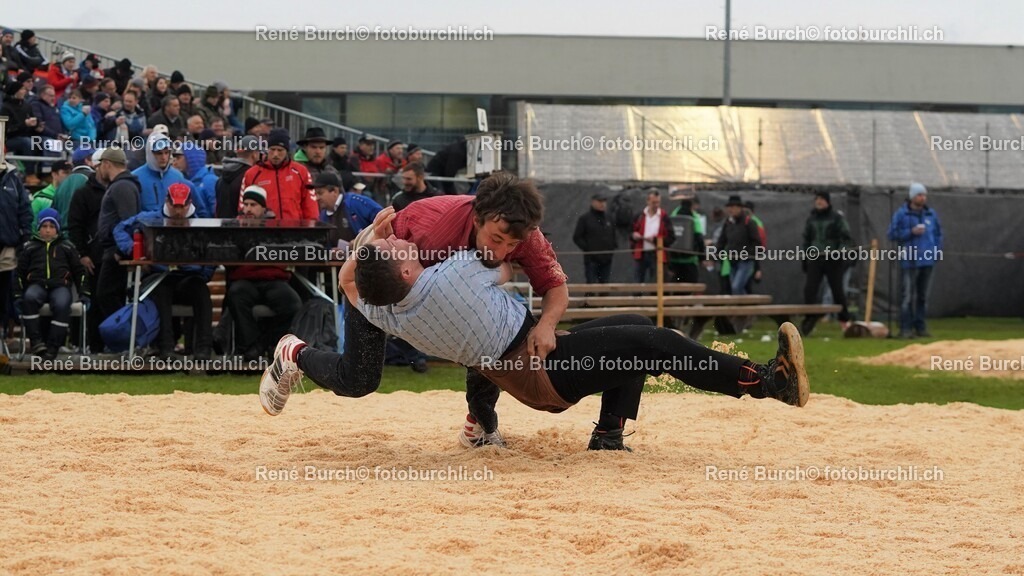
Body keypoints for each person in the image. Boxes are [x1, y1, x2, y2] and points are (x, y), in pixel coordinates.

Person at [259, 231, 810, 451]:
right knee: (658, 341)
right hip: (544, 371)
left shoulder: (389, 314)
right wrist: (377, 234)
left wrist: (369, 242)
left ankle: (608, 436)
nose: (410, 242)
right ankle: (766, 383)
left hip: (519, 363)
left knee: (637, 325)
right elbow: (502, 254)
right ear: (407, 273)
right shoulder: (451, 276)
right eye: (404, 249)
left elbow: (349, 282)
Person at [258, 173, 569, 447]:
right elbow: (368, 258)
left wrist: (546, 324)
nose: (502, 252)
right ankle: (294, 353)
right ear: (477, 219)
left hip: (422, 293)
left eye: (512, 246)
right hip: (373, 282)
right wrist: (370, 244)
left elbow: (554, 284)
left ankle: (480, 424)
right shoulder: (428, 224)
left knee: (484, 332)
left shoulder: (524, 233)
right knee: (359, 380)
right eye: (497, 240)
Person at [113, 183, 214, 358]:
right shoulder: (150, 218)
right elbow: (120, 228)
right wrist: (133, 250)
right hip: (159, 276)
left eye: (182, 207)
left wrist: (204, 274)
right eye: (174, 206)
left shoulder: (200, 224)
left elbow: (212, 249)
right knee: (162, 290)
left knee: (201, 290)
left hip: (189, 276)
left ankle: (204, 348)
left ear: (189, 204)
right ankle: (166, 347)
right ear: (167, 201)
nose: (178, 211)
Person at [225, 186, 303, 360]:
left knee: (293, 303)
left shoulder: (276, 228)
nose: (248, 209)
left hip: (273, 279)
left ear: (263, 207)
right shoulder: (234, 227)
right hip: (245, 280)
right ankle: (252, 346)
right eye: (246, 204)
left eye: (253, 204)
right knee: (236, 295)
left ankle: (261, 344)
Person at [14, 208, 90, 360]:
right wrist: (17, 294)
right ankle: (36, 343)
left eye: (52, 226)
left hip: (60, 286)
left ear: (57, 229)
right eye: (44, 226)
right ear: (39, 228)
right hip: (37, 284)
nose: (48, 230)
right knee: (29, 298)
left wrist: (84, 293)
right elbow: (19, 274)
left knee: (62, 304)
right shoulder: (30, 247)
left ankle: (52, 348)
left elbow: (79, 272)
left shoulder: (67, 247)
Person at [93, 148, 142, 337]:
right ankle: (125, 338)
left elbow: (129, 221)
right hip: (113, 248)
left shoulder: (122, 187)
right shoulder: (121, 185)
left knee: (106, 294)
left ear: (107, 163)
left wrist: (121, 251)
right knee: (110, 294)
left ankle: (126, 337)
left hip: (116, 250)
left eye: (100, 166)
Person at [888, 182, 943, 339]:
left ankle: (920, 327)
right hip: (909, 260)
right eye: (919, 195)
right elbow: (891, 233)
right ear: (912, 197)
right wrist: (910, 232)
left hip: (927, 260)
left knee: (923, 296)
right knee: (907, 296)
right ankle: (905, 328)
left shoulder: (931, 214)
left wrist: (936, 251)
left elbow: (939, 234)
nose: (923, 197)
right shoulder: (901, 214)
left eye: (924, 195)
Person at [801, 192, 854, 336]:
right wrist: (805, 257)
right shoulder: (811, 219)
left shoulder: (837, 218)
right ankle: (809, 321)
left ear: (828, 202)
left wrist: (839, 252)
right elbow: (806, 240)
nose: (819, 202)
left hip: (833, 260)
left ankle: (844, 321)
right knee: (810, 290)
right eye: (817, 199)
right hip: (815, 259)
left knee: (837, 291)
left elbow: (846, 238)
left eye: (822, 199)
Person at [239, 129, 318, 220]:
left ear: (287, 151)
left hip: (295, 231)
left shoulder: (301, 172)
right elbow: (242, 207)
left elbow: (310, 205)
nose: (276, 154)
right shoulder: (252, 174)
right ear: (267, 149)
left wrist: (312, 229)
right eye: (272, 149)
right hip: (264, 231)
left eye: (280, 150)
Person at [0, 159, 34, 339]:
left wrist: (26, 235)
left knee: (6, 292)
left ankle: (5, 333)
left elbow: (25, 211)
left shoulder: (14, 180)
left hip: (8, 246)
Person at [133, 133, 199, 215]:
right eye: (159, 153)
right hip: (146, 226)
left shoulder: (178, 176)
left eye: (166, 153)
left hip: (174, 225)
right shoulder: (136, 177)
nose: (163, 157)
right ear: (150, 153)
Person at [312, 172, 382, 250]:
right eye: (316, 194)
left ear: (335, 191)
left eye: (320, 193)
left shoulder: (356, 202)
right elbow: (323, 244)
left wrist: (364, 240)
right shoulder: (323, 216)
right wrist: (331, 251)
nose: (317, 198)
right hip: (343, 261)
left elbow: (384, 219)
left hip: (368, 257)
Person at [714, 195, 763, 296]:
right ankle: (748, 309)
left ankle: (747, 308)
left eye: (733, 207)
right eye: (729, 207)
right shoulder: (728, 223)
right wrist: (716, 254)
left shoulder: (749, 223)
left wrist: (751, 257)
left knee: (736, 287)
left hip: (745, 261)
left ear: (739, 208)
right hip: (732, 261)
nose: (730, 209)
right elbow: (722, 241)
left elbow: (757, 242)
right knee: (736, 290)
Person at [631, 190, 675, 283]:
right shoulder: (639, 216)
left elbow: (671, 237)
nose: (656, 205)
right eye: (653, 202)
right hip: (641, 254)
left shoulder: (664, 217)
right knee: (637, 282)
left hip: (657, 254)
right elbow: (631, 231)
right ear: (647, 201)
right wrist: (634, 236)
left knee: (656, 282)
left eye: (658, 202)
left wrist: (655, 240)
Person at [572, 193, 616, 285]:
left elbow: (613, 234)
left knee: (605, 285)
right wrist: (589, 249)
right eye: (600, 201)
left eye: (604, 201)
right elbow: (577, 237)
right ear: (593, 202)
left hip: (606, 258)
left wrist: (612, 247)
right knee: (591, 285)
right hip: (592, 259)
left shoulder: (609, 218)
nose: (602, 204)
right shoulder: (585, 219)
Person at [668, 194, 705, 284]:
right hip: (690, 261)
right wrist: (702, 257)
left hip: (674, 260)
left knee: (676, 289)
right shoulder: (695, 218)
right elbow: (699, 238)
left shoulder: (673, 215)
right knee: (690, 288)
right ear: (693, 204)